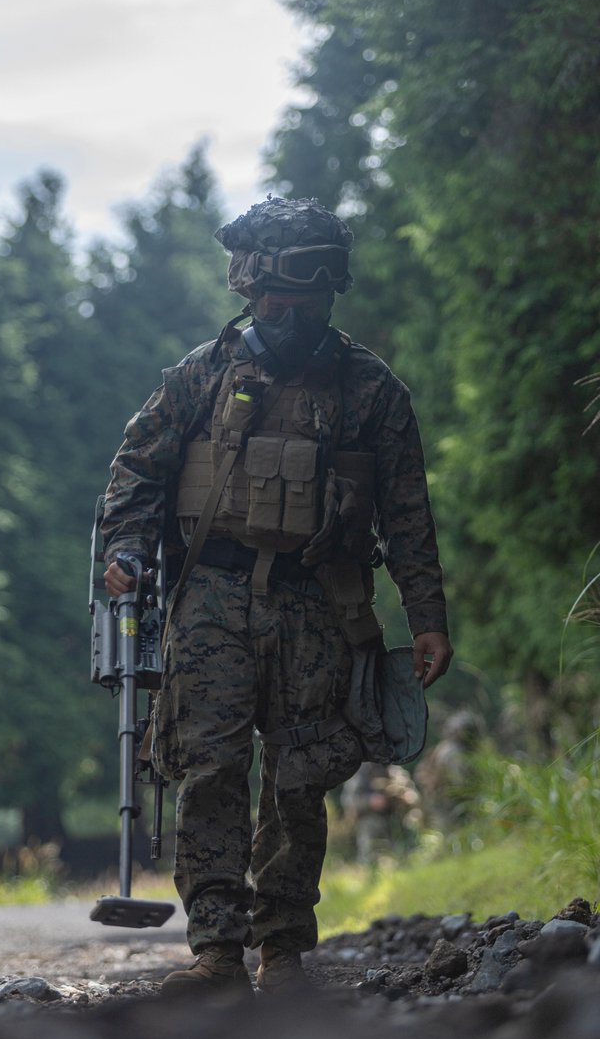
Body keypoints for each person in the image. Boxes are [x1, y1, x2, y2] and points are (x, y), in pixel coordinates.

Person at [101, 197, 453, 995]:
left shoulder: (372, 392)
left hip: (321, 605)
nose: (294, 313)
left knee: (300, 780)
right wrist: (125, 551)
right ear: (251, 290)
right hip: (214, 597)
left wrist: (426, 618)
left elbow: (407, 517)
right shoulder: (202, 375)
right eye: (280, 298)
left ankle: (284, 950)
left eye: (312, 298)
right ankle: (217, 952)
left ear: (333, 293)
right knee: (211, 768)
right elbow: (136, 473)